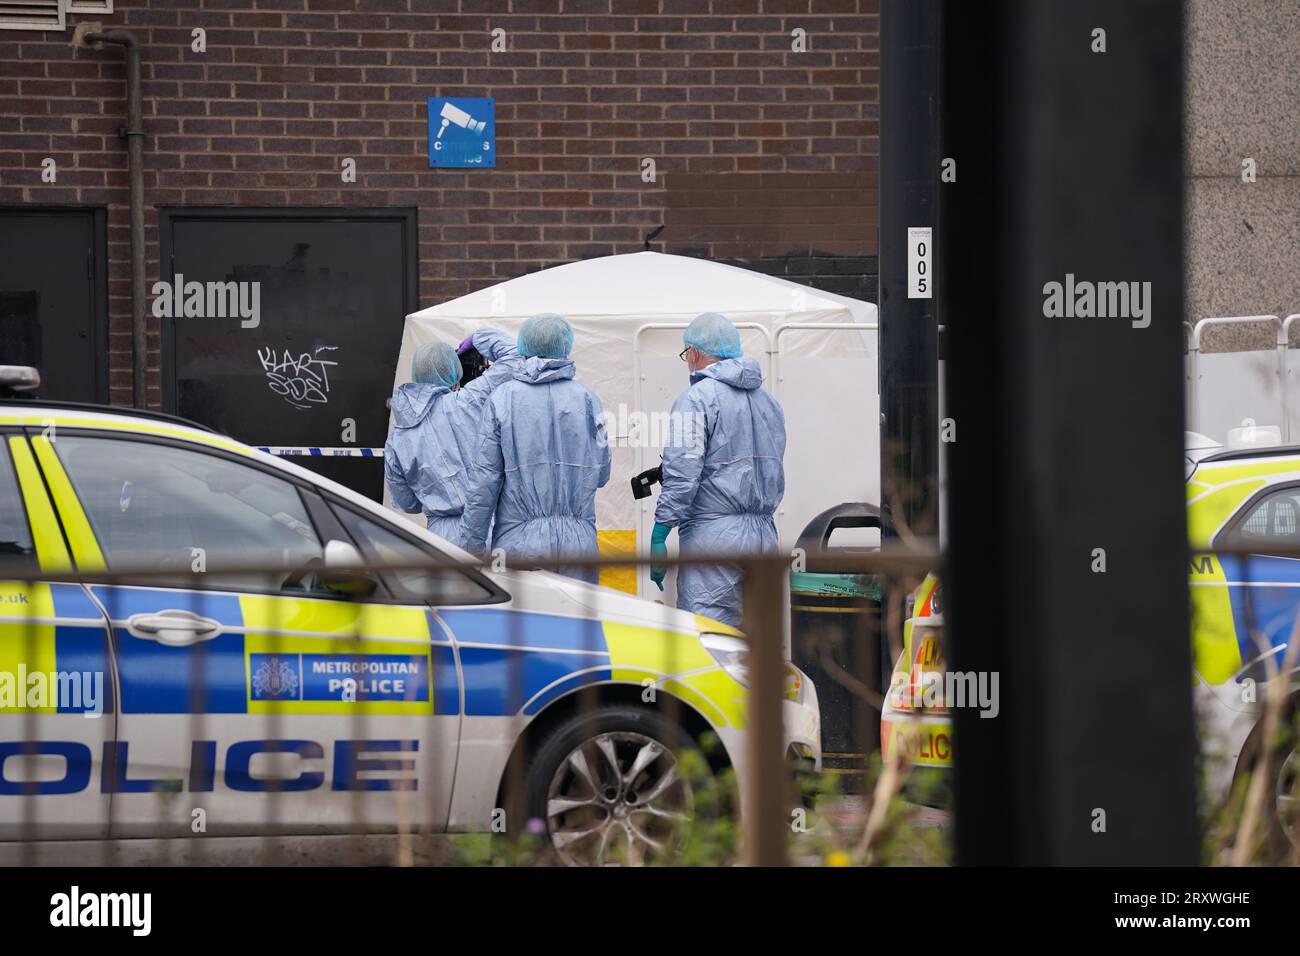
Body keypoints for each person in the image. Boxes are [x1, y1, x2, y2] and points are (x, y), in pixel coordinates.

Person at [650, 312, 786, 627]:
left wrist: (662, 528)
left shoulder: (696, 399)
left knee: (708, 635)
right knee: (759, 638)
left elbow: (683, 473)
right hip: (764, 535)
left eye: (686, 354)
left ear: (694, 353)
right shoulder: (767, 401)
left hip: (714, 537)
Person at [460, 313, 611, 584]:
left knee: (522, 624)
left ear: (523, 349)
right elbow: (602, 473)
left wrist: (469, 549)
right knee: (577, 624)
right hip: (579, 545)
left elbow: (484, 483)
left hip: (519, 543)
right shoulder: (589, 400)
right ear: (565, 346)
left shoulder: (502, 399)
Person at [384, 329, 519, 548]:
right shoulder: (469, 401)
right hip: (489, 529)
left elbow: (407, 503)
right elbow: (515, 358)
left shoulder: (397, 439)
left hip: (440, 540)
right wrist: (479, 338)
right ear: (454, 372)